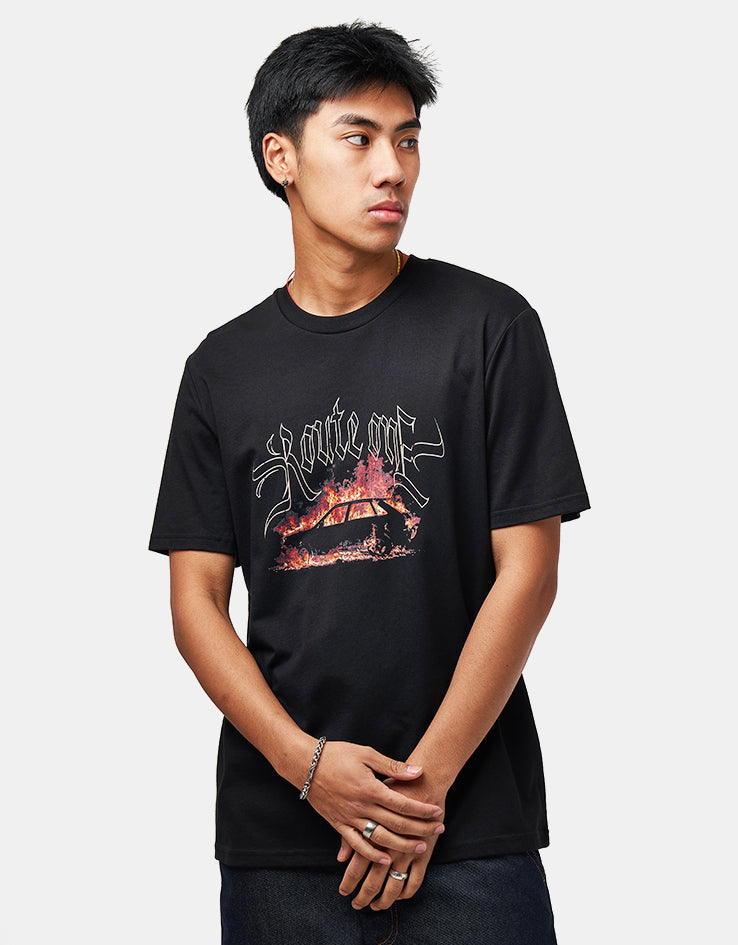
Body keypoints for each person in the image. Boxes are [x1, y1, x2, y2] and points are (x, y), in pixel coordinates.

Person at [149, 21, 590, 944]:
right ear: (281, 157)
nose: (393, 169)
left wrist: (418, 794)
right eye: (359, 138)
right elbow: (195, 603)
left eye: (409, 140)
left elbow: (530, 572)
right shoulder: (220, 370)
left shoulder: (491, 326)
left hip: (470, 829)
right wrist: (307, 767)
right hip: (281, 841)